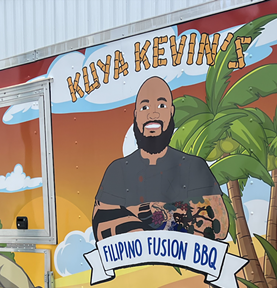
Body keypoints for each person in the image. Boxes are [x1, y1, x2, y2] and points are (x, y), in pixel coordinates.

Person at [92, 76, 228, 241]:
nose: (152, 113)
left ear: (171, 112)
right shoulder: (117, 171)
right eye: (144, 107)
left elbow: (218, 226)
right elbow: (102, 228)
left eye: (161, 105)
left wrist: (141, 214)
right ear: (136, 115)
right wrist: (178, 214)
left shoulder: (195, 166)